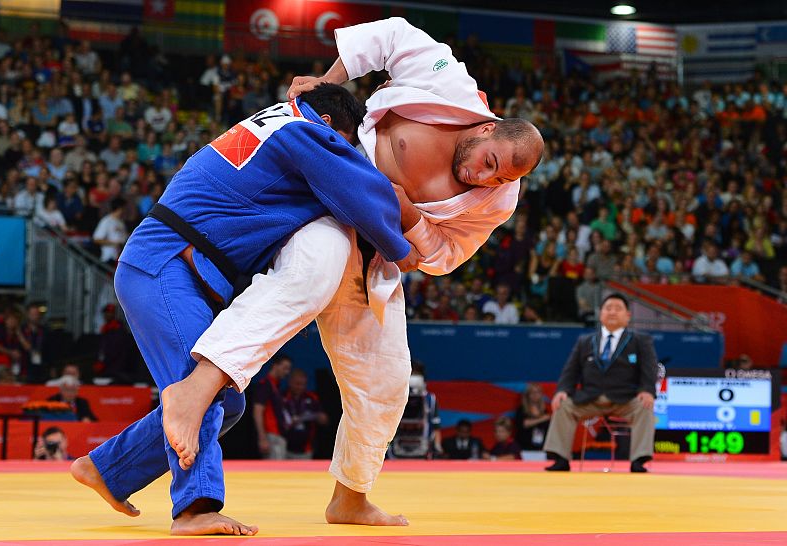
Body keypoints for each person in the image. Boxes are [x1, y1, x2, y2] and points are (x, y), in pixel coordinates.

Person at [161, 17, 542, 526]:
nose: (485, 176)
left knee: (387, 381)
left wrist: (409, 217)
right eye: (491, 160)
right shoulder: (450, 85)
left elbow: (446, 255)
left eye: (501, 175)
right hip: (323, 202)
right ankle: (198, 386)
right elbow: (390, 36)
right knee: (312, 274)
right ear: (487, 126)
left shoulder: (498, 198)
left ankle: (350, 496)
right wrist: (332, 81)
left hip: (378, 250)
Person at [70, 84, 416, 537]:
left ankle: (109, 471)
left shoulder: (275, 126)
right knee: (202, 391)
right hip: (165, 265)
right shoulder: (303, 130)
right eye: (346, 144)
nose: (345, 153)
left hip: (170, 267)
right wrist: (400, 243)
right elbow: (359, 187)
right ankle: (195, 509)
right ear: (332, 125)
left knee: (228, 400)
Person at [543, 293, 658, 473]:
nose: (612, 312)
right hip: (590, 398)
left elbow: (649, 370)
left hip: (625, 399)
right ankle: (560, 458)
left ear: (628, 315)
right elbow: (570, 370)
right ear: (600, 314)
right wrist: (562, 390)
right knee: (563, 405)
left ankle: (639, 460)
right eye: (608, 308)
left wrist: (647, 391)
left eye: (618, 308)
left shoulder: (640, 340)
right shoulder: (585, 341)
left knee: (645, 407)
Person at [253, 355, 291, 460]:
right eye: (285, 368)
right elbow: (257, 411)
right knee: (277, 474)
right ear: (275, 366)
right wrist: (262, 438)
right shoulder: (265, 385)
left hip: (278, 436)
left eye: (288, 369)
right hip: (271, 436)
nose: (287, 372)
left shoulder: (276, 386)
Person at [283, 368, 327, 459]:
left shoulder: (312, 397)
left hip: (306, 449)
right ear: (290, 382)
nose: (300, 387)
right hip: (284, 448)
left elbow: (324, 419)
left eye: (303, 384)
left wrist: (318, 417)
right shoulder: (281, 396)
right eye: (297, 384)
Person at [513, 383, 550, 452]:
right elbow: (524, 423)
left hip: (540, 447)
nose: (535, 395)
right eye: (533, 392)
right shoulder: (522, 409)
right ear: (528, 395)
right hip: (524, 446)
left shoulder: (544, 411)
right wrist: (542, 419)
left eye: (538, 392)